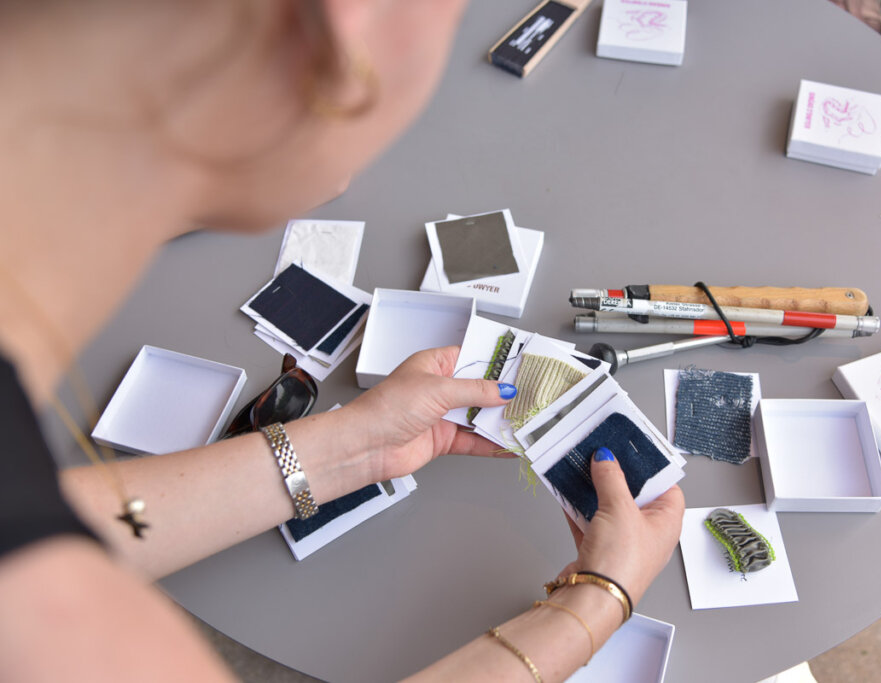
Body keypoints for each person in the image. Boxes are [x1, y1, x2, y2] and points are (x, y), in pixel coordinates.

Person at [0, 1, 685, 681]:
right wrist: (596, 603)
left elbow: (63, 521)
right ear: (347, 23)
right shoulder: (58, 636)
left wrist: (351, 444)